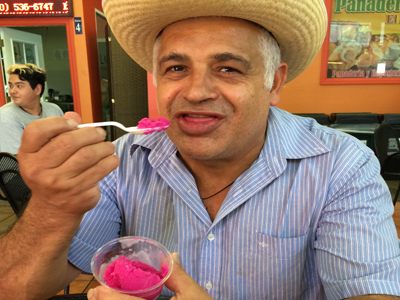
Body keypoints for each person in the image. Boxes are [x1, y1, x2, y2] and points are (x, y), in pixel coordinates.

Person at [1, 0, 400, 299]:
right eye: (176, 68)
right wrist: (52, 208)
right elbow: (18, 288)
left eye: (228, 68)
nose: (195, 91)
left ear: (274, 84)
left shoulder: (340, 165)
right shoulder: (124, 158)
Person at [0, 63, 64, 154]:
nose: (12, 91)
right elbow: (18, 160)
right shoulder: (6, 115)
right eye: (11, 86)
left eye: (19, 86)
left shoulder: (54, 109)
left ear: (37, 89)